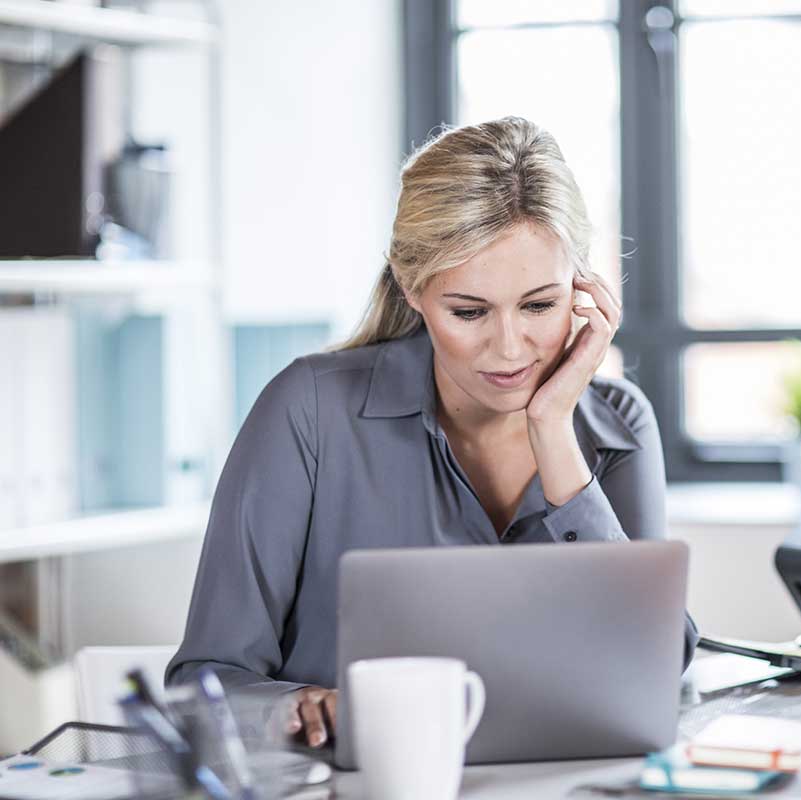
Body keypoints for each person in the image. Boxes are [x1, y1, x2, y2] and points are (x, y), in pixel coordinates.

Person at [165, 116, 699, 749]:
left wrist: (553, 428)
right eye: (469, 311)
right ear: (411, 286)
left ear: (584, 289)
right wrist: (298, 706)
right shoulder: (309, 410)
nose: (509, 349)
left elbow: (652, 662)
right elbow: (203, 682)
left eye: (539, 305)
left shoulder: (618, 424)